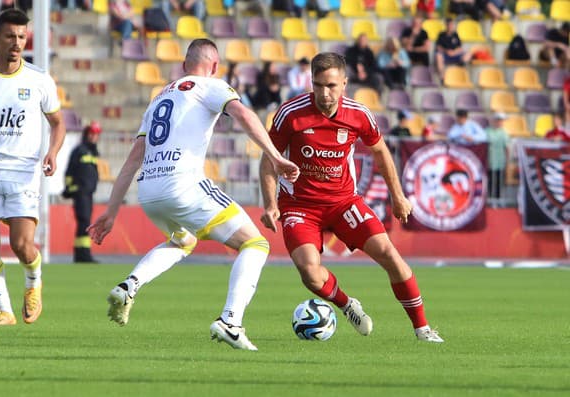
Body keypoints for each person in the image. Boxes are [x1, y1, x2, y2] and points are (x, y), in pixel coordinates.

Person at [87, 39, 300, 351]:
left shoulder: (159, 98)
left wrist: (111, 211)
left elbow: (134, 157)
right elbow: (242, 114)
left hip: (149, 191)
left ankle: (129, 285)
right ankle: (231, 321)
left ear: (184, 65)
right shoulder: (210, 86)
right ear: (214, 67)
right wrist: (275, 156)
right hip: (182, 185)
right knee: (255, 243)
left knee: (183, 240)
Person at [259, 52, 444, 343]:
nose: (324, 93)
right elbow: (269, 159)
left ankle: (423, 330)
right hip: (300, 206)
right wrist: (270, 204)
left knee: (390, 255)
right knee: (310, 273)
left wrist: (398, 196)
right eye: (318, 85)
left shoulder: (358, 115)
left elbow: (381, 151)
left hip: (343, 202)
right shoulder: (291, 114)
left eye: (331, 85)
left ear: (344, 84)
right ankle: (347, 304)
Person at [0, 9, 66, 325]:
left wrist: (52, 152)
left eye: (22, 37)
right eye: (10, 36)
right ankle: (3, 309)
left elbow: (57, 123)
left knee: (22, 245)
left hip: (23, 171)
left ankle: (33, 282)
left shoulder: (39, 79)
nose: (16, 43)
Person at [63, 121, 103, 263]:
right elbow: (69, 172)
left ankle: (81, 253)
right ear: (86, 134)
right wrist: (70, 188)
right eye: (91, 134)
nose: (93, 137)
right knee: (84, 221)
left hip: (88, 193)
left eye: (96, 134)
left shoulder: (93, 152)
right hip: (80, 193)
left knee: (85, 222)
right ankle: (83, 254)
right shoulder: (79, 150)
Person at [435, 18, 473, 82]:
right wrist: (446, 51)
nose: (450, 26)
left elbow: (460, 48)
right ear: (446, 25)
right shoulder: (441, 35)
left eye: (451, 25)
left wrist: (454, 52)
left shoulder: (455, 34)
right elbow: (438, 47)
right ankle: (442, 77)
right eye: (449, 25)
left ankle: (462, 69)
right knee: (438, 56)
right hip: (445, 55)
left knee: (468, 54)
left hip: (455, 55)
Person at [485, 113, 510, 203]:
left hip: (500, 160)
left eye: (501, 121)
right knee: (490, 181)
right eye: (498, 120)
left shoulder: (504, 133)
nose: (499, 122)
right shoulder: (487, 131)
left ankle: (498, 201)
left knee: (499, 182)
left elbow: (507, 148)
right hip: (490, 160)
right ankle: (489, 201)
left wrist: (507, 162)